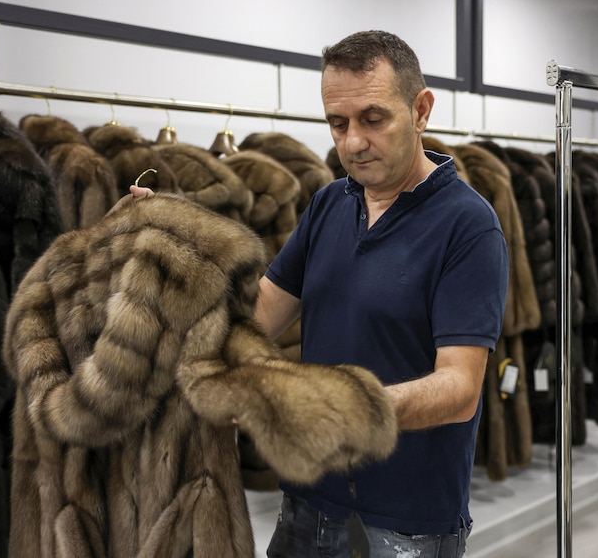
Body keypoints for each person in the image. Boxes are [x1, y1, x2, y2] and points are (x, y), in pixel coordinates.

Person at [131, 30, 508, 558]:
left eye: (373, 119)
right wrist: (172, 240)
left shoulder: (469, 226)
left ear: (421, 110)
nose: (353, 142)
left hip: (406, 519)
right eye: (338, 123)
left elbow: (459, 389)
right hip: (308, 499)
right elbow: (260, 314)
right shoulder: (331, 203)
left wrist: (325, 408)